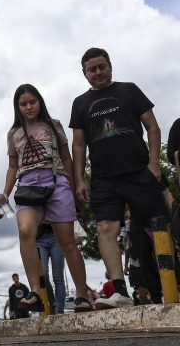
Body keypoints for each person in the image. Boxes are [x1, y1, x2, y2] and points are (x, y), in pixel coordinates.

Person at [70, 47, 168, 309]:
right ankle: (121, 292)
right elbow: (78, 145)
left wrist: (154, 164)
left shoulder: (129, 90)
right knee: (105, 229)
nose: (98, 72)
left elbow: (153, 126)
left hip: (138, 171)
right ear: (85, 74)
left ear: (110, 66)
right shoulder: (80, 103)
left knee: (154, 229)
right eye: (92, 69)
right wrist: (79, 180)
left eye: (102, 66)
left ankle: (172, 285)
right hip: (104, 178)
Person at [0, 84, 91, 314]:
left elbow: (67, 158)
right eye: (23, 104)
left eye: (32, 102)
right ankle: (35, 291)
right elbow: (12, 166)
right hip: (27, 185)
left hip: (56, 181)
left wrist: (77, 182)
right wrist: (5, 194)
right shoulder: (14, 133)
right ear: (17, 107)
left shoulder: (53, 125)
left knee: (67, 241)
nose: (29, 107)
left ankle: (81, 295)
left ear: (40, 102)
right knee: (26, 230)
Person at [35, 224, 65, 314]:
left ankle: (60, 311)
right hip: (39, 239)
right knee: (43, 275)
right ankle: (52, 304)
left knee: (58, 276)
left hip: (56, 235)